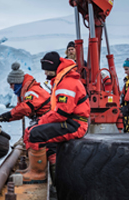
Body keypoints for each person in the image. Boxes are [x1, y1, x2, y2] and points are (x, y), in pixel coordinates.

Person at [22, 51, 90, 184]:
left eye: (47, 70)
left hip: (75, 125)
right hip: (72, 122)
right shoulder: (64, 80)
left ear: (54, 68)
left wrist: (41, 121)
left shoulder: (66, 84)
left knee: (35, 134)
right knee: (48, 141)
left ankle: (37, 173)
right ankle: (56, 175)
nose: (45, 73)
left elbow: (62, 113)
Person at [0, 62, 53, 184]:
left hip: (49, 119)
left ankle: (38, 171)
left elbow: (25, 108)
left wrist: (5, 116)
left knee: (32, 134)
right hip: (44, 119)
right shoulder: (26, 91)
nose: (11, 87)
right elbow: (20, 111)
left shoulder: (31, 92)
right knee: (29, 135)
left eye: (12, 84)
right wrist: (4, 117)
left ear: (17, 82)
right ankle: (35, 167)